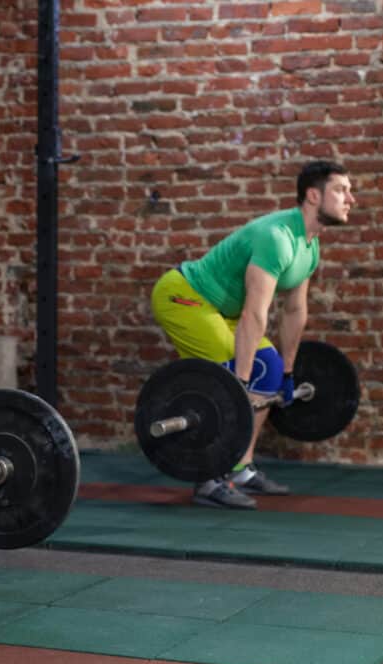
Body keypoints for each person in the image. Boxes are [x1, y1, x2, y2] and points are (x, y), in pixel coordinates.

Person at [150, 160, 355, 510]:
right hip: (184, 298)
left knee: (270, 370)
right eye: (341, 190)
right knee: (231, 372)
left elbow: (294, 312)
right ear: (312, 195)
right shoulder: (276, 238)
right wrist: (238, 382)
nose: (351, 199)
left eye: (350, 191)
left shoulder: (309, 247)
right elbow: (255, 314)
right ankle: (208, 478)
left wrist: (288, 373)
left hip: (221, 311)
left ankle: (240, 467)